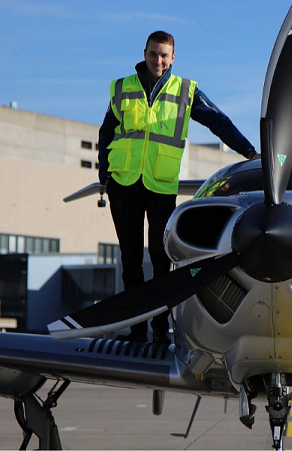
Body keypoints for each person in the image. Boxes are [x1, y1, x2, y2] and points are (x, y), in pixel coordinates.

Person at [97, 30, 258, 344]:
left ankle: (160, 329)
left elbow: (218, 121)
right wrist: (105, 172)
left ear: (172, 58)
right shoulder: (122, 88)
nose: (158, 60)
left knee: (161, 260)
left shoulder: (186, 91)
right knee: (129, 260)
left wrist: (250, 152)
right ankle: (136, 330)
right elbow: (106, 132)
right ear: (144, 53)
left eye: (164, 55)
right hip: (124, 183)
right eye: (153, 54)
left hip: (160, 184)